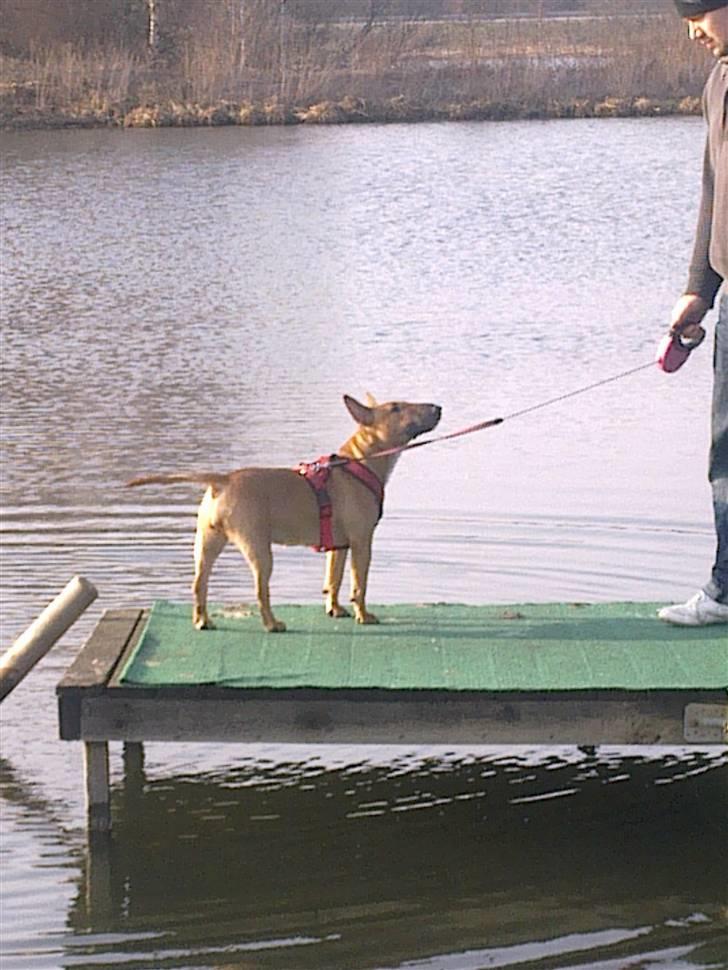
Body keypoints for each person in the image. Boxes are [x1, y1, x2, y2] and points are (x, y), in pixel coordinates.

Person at [658, 0, 728, 625]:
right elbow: (713, 189)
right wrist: (698, 289)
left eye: (699, 15)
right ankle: (726, 591)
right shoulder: (718, 82)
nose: (693, 32)